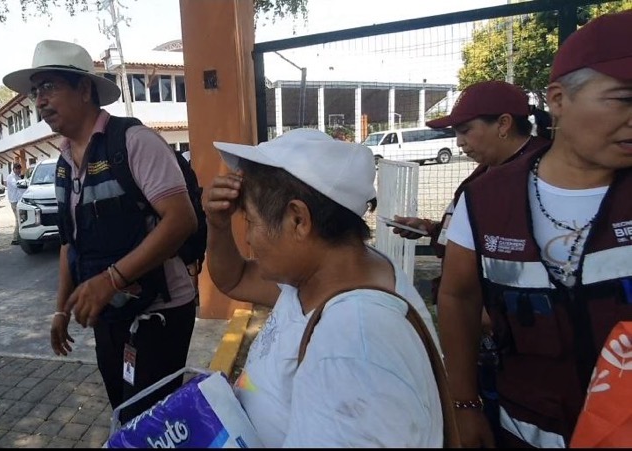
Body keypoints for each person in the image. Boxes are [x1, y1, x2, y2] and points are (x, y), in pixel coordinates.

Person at [438, 10, 632, 448]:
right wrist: (464, 404)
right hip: (526, 428)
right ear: (559, 99)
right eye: (624, 98)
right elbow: (458, 295)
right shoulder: (486, 198)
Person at [206, 128, 443, 447]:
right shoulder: (332, 271)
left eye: (251, 222)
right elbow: (234, 279)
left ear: (298, 220)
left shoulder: (354, 349)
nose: (248, 239)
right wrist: (217, 226)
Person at [3, 40, 198, 422]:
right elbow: (68, 243)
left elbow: (181, 220)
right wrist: (61, 310)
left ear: (85, 89)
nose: (39, 100)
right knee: (124, 411)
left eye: (49, 87)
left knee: (150, 422)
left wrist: (111, 279)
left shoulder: (134, 142)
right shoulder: (61, 162)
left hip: (159, 313)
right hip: (108, 314)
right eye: (35, 91)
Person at [388, 80, 553, 442]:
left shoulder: (542, 176)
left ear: (504, 124)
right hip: (484, 345)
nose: (460, 142)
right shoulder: (491, 173)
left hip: (524, 355)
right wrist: (431, 230)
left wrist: (494, 314)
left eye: (466, 130)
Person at [6, 162, 26, 245]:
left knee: (21, 219)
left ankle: (19, 237)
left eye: (19, 169)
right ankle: (15, 239)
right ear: (14, 169)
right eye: (17, 169)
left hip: (19, 200)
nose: (18, 171)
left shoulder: (17, 177)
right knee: (18, 220)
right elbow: (17, 185)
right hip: (14, 201)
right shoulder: (11, 177)